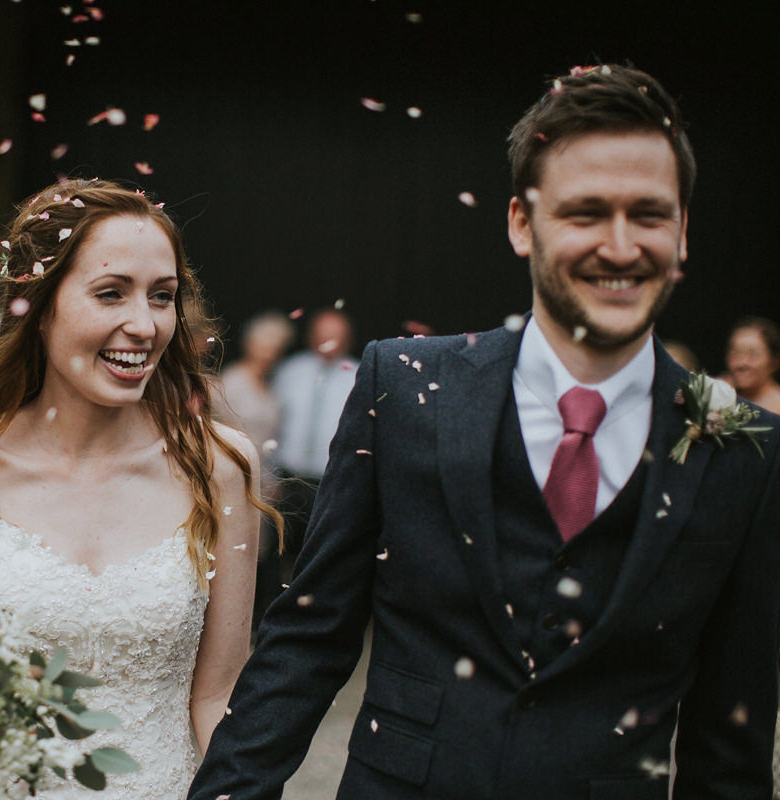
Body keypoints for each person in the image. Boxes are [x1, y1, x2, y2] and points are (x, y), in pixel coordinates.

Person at [190, 65, 780, 800]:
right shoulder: (400, 387)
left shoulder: (746, 447)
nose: (622, 246)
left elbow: (731, 746)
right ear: (520, 224)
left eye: (650, 214)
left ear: (684, 231)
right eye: (585, 212)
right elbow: (309, 641)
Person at [0, 179, 273, 799]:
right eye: (110, 294)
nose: (144, 325)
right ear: (38, 306)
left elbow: (219, 694)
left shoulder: (221, 465)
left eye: (162, 297)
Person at [211, 310, 295, 626]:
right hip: (238, 477)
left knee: (260, 558)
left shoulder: (270, 383)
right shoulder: (232, 381)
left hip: (265, 481)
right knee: (236, 551)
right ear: (250, 344)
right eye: (265, 344)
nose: (270, 352)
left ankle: (251, 627)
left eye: (277, 346)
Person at [270, 308, 358, 571]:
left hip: (329, 483)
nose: (328, 342)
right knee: (281, 551)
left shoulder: (358, 375)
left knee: (321, 555)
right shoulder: (289, 370)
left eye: (336, 336)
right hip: (287, 478)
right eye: (323, 335)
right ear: (311, 336)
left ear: (347, 339)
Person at [726, 316, 780, 414]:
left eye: (753, 355)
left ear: (774, 362)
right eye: (736, 353)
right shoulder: (724, 398)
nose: (742, 363)